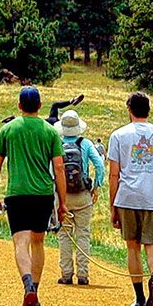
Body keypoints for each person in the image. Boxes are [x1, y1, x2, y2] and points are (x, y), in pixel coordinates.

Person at [0, 85, 68, 306]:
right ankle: (36, 291)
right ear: (40, 106)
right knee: (38, 243)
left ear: (20, 106)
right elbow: (59, 168)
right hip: (43, 194)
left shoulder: (8, 130)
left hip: (17, 193)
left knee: (20, 243)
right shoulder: (50, 131)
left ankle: (27, 287)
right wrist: (62, 202)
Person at [105, 92, 153, 306]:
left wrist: (113, 207)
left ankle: (139, 298)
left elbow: (113, 176)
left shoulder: (118, 136)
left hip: (127, 197)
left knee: (132, 247)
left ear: (129, 109)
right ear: (149, 109)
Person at [55, 110, 106, 285]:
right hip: (83, 195)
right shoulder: (85, 144)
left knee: (64, 234)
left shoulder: (57, 143)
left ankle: (66, 274)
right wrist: (96, 187)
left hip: (63, 197)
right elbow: (99, 165)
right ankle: (83, 275)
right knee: (83, 234)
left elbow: (50, 169)